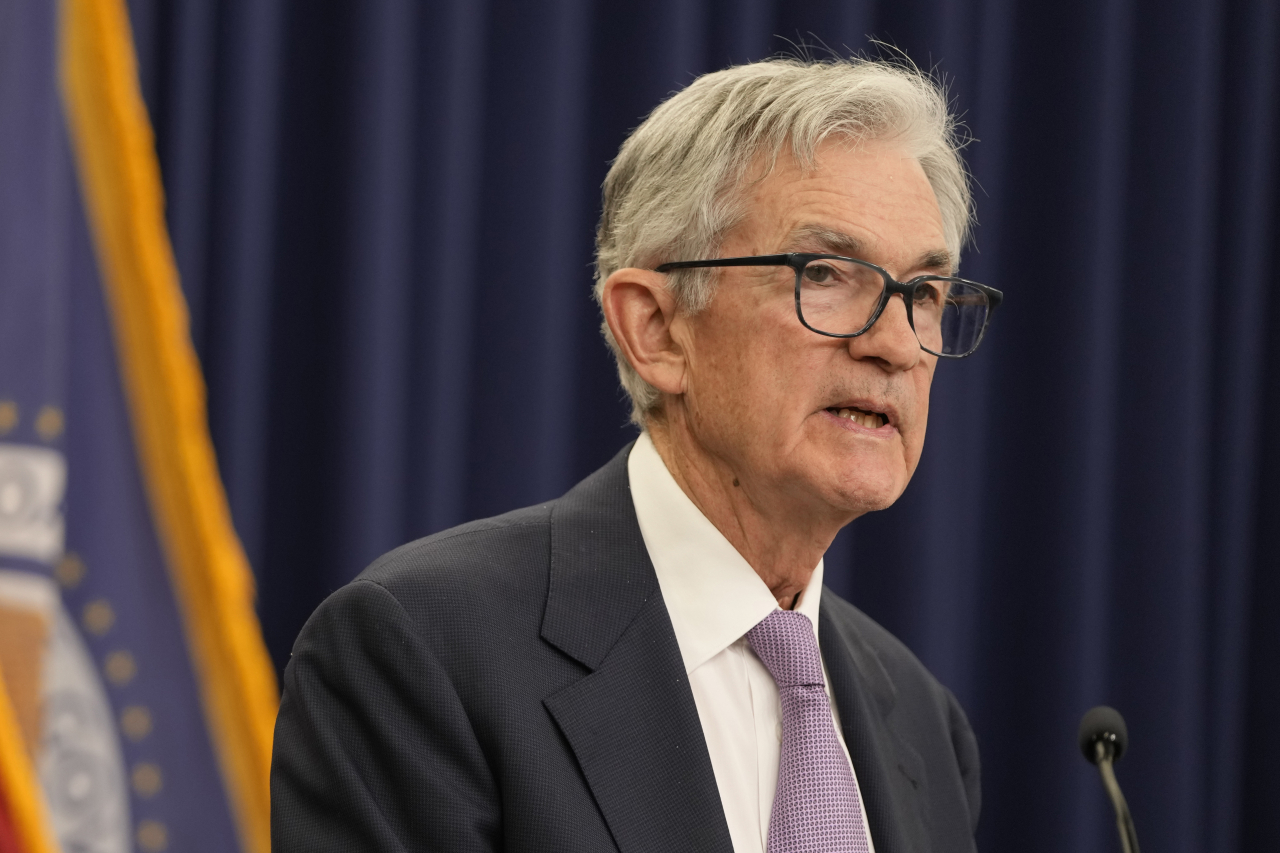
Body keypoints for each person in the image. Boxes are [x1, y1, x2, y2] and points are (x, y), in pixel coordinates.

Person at [272, 55, 1001, 853]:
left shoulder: (925, 726)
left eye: (924, 292)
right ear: (655, 329)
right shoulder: (424, 653)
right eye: (825, 273)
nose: (897, 343)